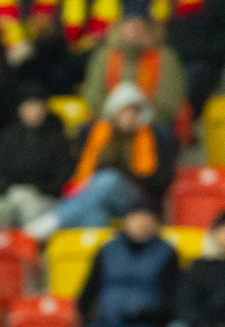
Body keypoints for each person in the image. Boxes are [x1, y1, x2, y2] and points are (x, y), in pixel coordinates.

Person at [26, 83, 174, 236]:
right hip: (104, 197)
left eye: (134, 111)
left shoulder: (154, 137)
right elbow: (89, 172)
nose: (129, 115)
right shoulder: (99, 134)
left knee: (110, 178)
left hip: (137, 199)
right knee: (95, 215)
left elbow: (160, 179)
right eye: (124, 111)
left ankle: (54, 219)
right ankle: (94, 248)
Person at [57, 201, 177, 327]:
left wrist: (150, 316)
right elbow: (89, 289)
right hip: (105, 325)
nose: (141, 224)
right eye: (136, 218)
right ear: (126, 221)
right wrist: (85, 318)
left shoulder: (167, 253)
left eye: (146, 219)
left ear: (156, 223)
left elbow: (172, 298)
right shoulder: (108, 250)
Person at [0, 83, 73, 228]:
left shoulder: (56, 137)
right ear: (20, 109)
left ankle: (30, 242)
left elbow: (62, 174)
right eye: (28, 106)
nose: (34, 110)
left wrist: (38, 191)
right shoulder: (8, 136)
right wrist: (9, 191)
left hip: (44, 197)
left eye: (38, 106)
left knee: (30, 208)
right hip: (10, 194)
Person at [81, 11, 185, 130]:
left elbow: (170, 102)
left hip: (152, 124)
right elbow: (93, 97)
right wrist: (117, 118)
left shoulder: (165, 58)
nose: (135, 27)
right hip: (109, 121)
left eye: (141, 22)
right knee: (85, 130)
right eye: (129, 21)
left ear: (150, 27)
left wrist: (139, 118)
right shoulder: (105, 56)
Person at [167, 0, 225, 117]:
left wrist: (206, 51)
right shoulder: (167, 1)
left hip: (202, 64)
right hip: (167, 60)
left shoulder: (220, 0)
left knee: (176, 93)